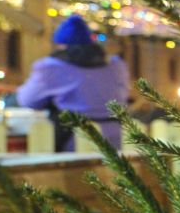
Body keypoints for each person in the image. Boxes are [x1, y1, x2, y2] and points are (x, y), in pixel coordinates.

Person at [16, 15, 131, 150]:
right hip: (116, 137)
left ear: (61, 44)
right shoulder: (116, 66)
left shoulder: (52, 67)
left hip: (73, 139)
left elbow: (28, 100)